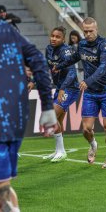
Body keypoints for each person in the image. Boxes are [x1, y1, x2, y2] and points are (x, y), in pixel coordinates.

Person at [0, 18, 57, 212]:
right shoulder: (4, 29)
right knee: (1, 187)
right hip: (12, 119)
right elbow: (37, 60)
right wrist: (47, 107)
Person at [53, 17, 106, 169]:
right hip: (90, 93)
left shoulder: (104, 44)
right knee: (86, 129)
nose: (88, 34)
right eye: (85, 31)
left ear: (97, 29)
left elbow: (103, 67)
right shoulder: (82, 44)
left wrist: (87, 81)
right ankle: (93, 144)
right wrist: (59, 65)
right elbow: (75, 58)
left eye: (91, 31)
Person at [43, 26, 80, 162]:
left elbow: (71, 72)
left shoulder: (67, 51)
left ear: (63, 39)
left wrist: (63, 88)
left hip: (70, 88)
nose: (54, 38)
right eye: (52, 36)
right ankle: (58, 151)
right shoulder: (49, 49)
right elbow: (46, 67)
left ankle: (62, 151)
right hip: (60, 88)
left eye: (57, 37)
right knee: (58, 120)